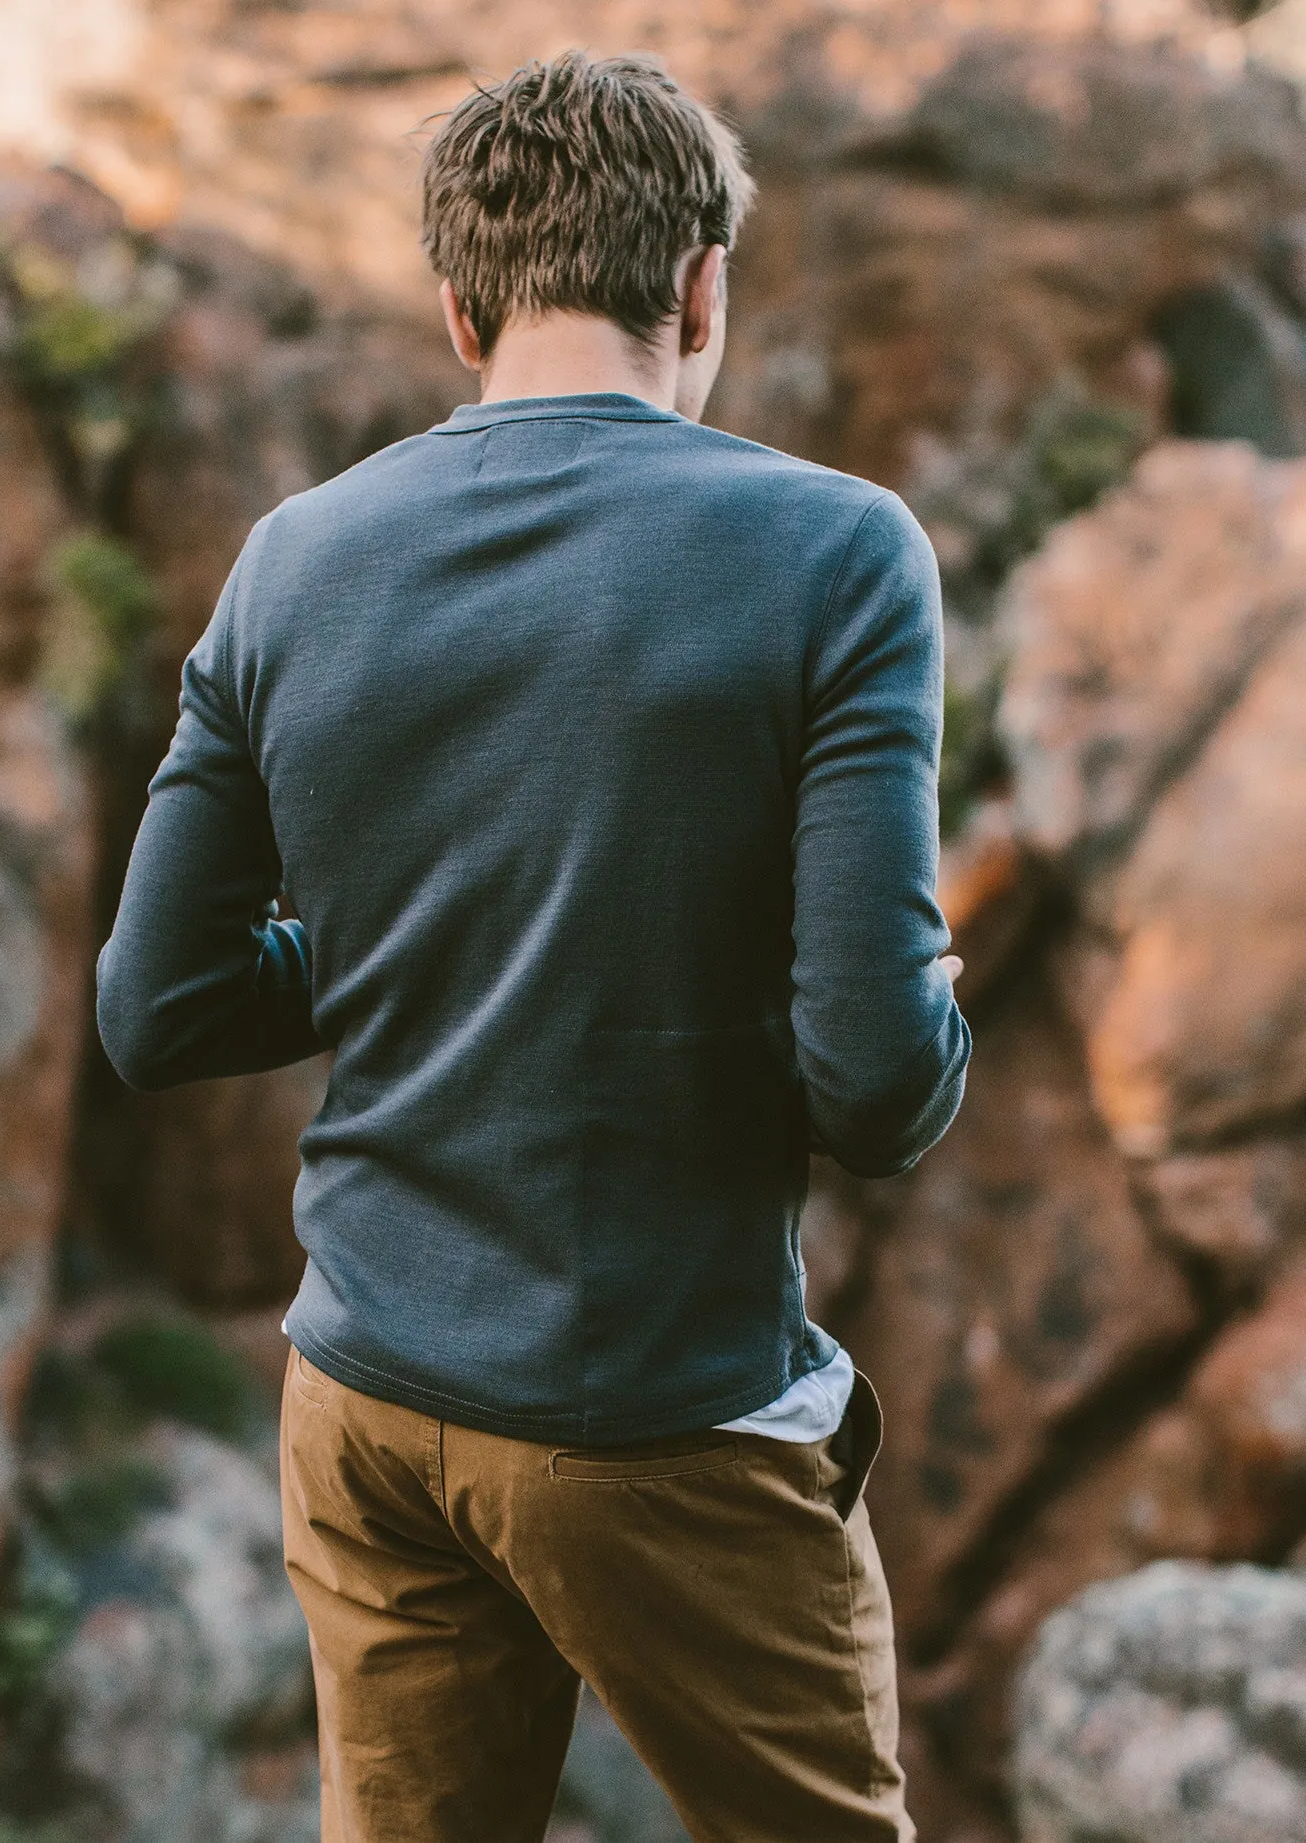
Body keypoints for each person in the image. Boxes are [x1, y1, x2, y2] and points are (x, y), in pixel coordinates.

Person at [96, 49, 970, 1843]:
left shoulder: (291, 560)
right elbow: (878, 1084)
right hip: (660, 1404)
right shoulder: (837, 551)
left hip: (364, 1402)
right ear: (700, 288)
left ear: (459, 308)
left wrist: (412, 940)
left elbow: (157, 1005)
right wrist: (933, 1007)